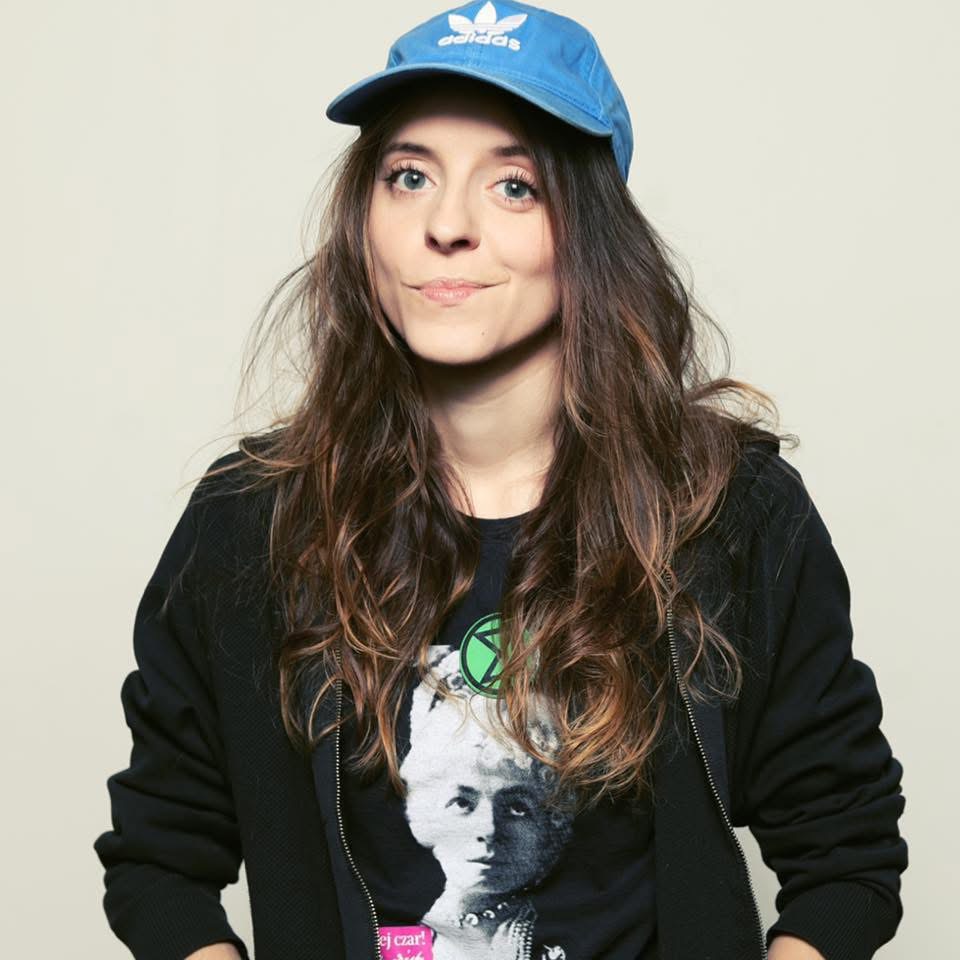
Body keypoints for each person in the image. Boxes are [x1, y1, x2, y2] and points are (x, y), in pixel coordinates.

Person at [93, 3, 908, 959]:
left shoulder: (726, 512)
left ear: (589, 233)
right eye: (409, 176)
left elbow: (846, 859)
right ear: (364, 220)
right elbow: (159, 860)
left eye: (514, 186)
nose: (446, 226)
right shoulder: (252, 520)